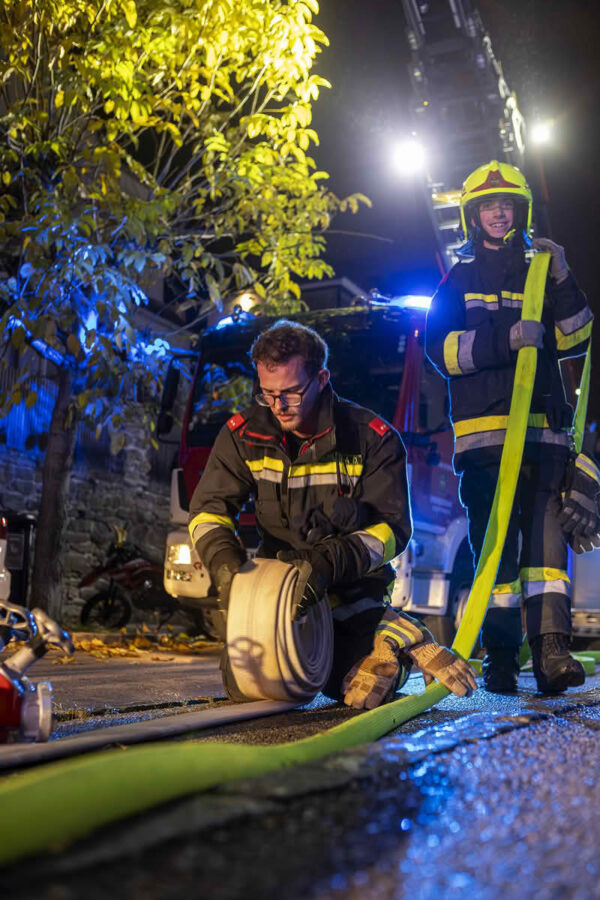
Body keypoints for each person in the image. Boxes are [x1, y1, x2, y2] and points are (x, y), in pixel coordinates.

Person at [188, 319, 476, 708]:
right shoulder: (243, 435)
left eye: (291, 392)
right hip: (279, 593)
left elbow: (391, 530)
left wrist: (325, 564)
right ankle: (382, 634)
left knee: (352, 687)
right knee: (242, 685)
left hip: (353, 588)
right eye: (267, 394)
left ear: (321, 378)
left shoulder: (372, 438)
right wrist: (225, 568)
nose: (278, 407)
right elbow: (208, 512)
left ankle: (394, 634)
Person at [426, 159, 595, 694]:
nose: (498, 213)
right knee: (495, 551)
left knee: (547, 552)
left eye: (507, 205)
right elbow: (440, 349)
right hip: (485, 444)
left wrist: (564, 275)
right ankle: (500, 658)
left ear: (520, 210)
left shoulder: (543, 270)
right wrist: (505, 340)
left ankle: (551, 652)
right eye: (488, 206)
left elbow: (578, 339)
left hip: (543, 437)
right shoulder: (458, 280)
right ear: (472, 215)